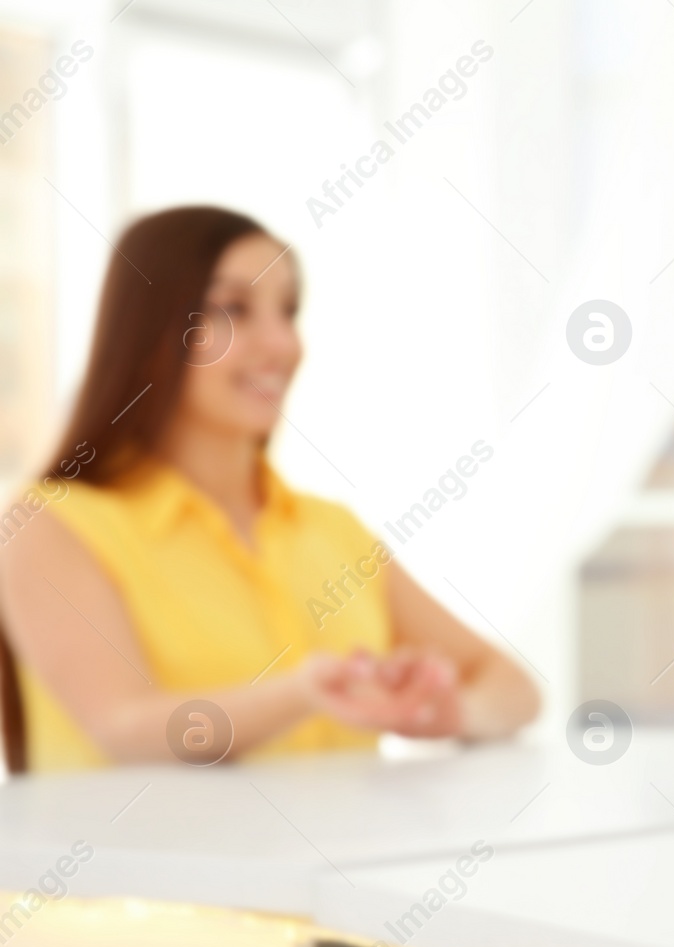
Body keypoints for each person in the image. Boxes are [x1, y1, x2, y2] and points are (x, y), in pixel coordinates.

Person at [0, 206, 540, 773]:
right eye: (234, 309)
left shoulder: (333, 531)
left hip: (342, 863)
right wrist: (303, 694)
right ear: (155, 328)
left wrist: (452, 712)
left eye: (288, 310)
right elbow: (122, 724)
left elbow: (514, 688)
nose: (282, 344)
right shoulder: (49, 527)